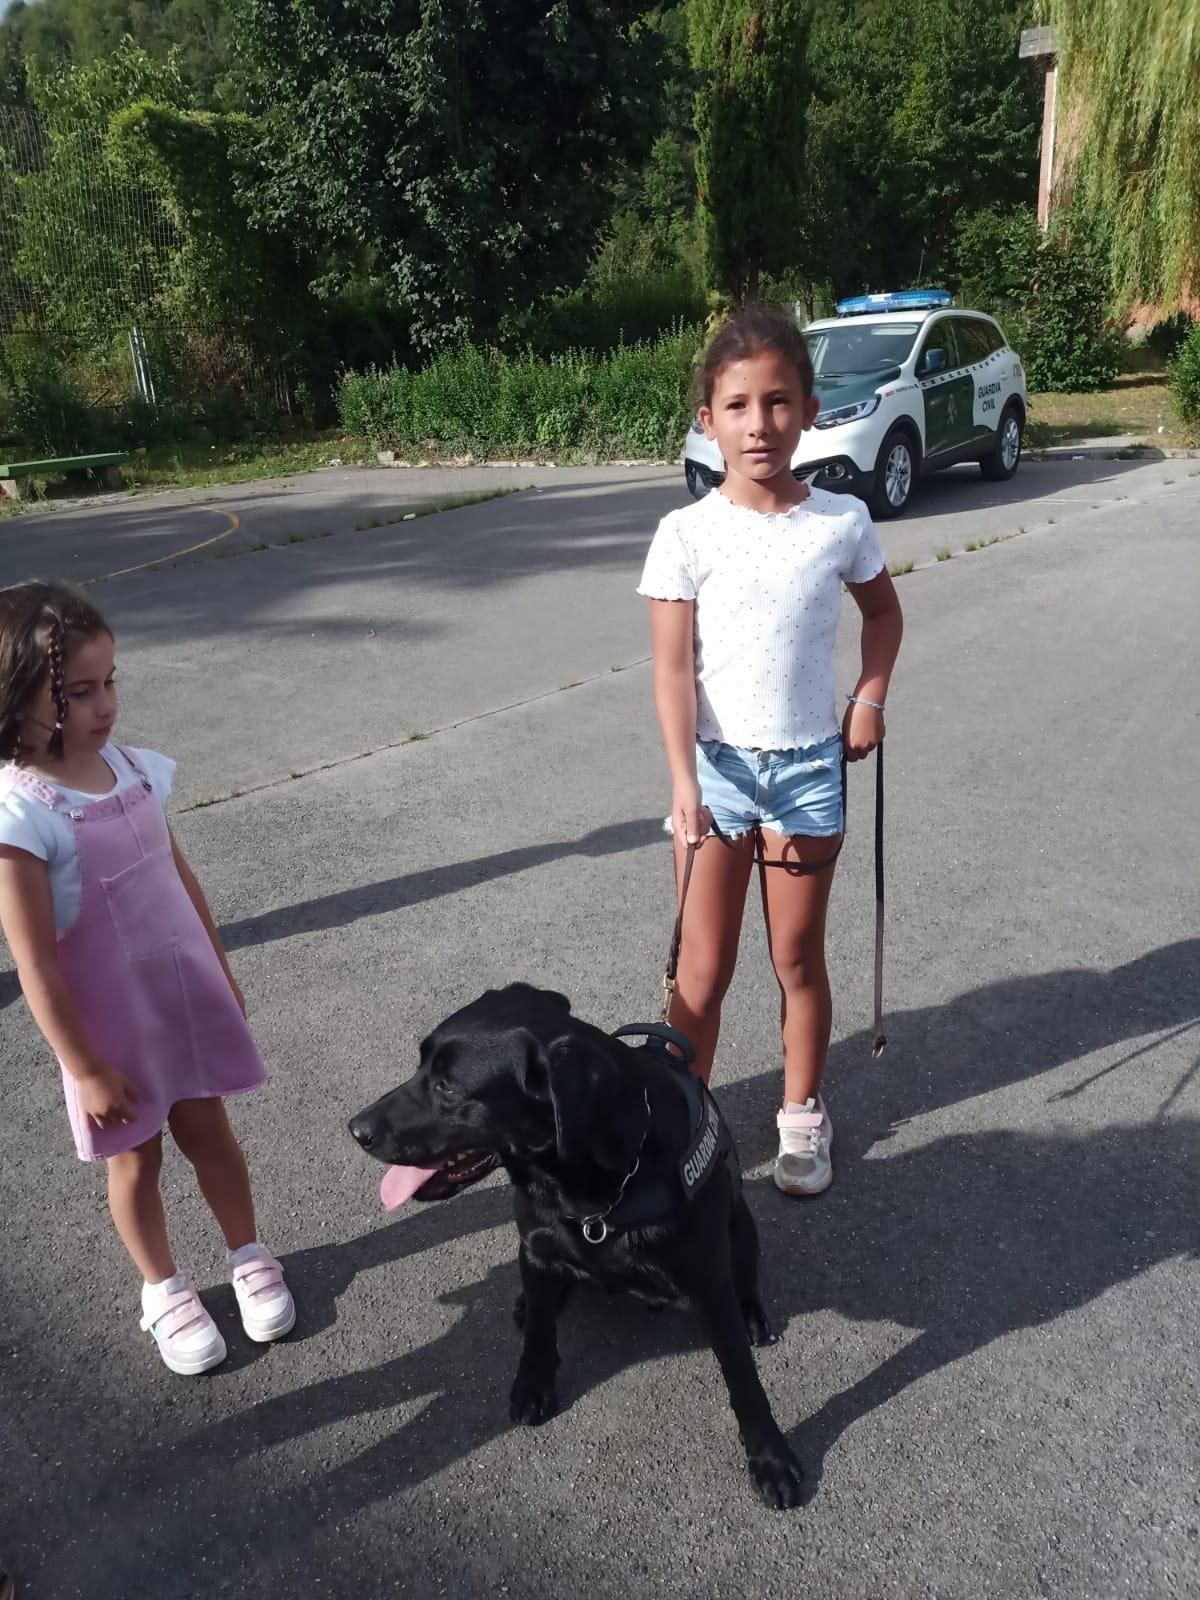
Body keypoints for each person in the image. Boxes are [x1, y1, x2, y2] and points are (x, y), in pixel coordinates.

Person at [638, 304, 904, 1197]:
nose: (762, 425)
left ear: (811, 409)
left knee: (797, 960)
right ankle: (680, 1129)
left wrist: (869, 694)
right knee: (702, 971)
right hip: (714, 773)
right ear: (706, 420)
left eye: (780, 402)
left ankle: (801, 1116)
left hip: (806, 772)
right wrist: (683, 783)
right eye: (740, 405)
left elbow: (884, 616)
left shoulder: (840, 520)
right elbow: (673, 672)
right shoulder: (686, 534)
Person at [0, 581, 295, 1373]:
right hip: (111, 1033)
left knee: (212, 1135)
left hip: (182, 1001)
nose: (105, 706)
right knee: (138, 1161)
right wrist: (85, 1067)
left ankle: (248, 1251)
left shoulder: (131, 768)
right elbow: (33, 959)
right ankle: (162, 1288)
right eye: (78, 693)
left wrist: (221, 973)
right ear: (13, 697)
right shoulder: (20, 813)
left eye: (110, 682)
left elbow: (179, 877)